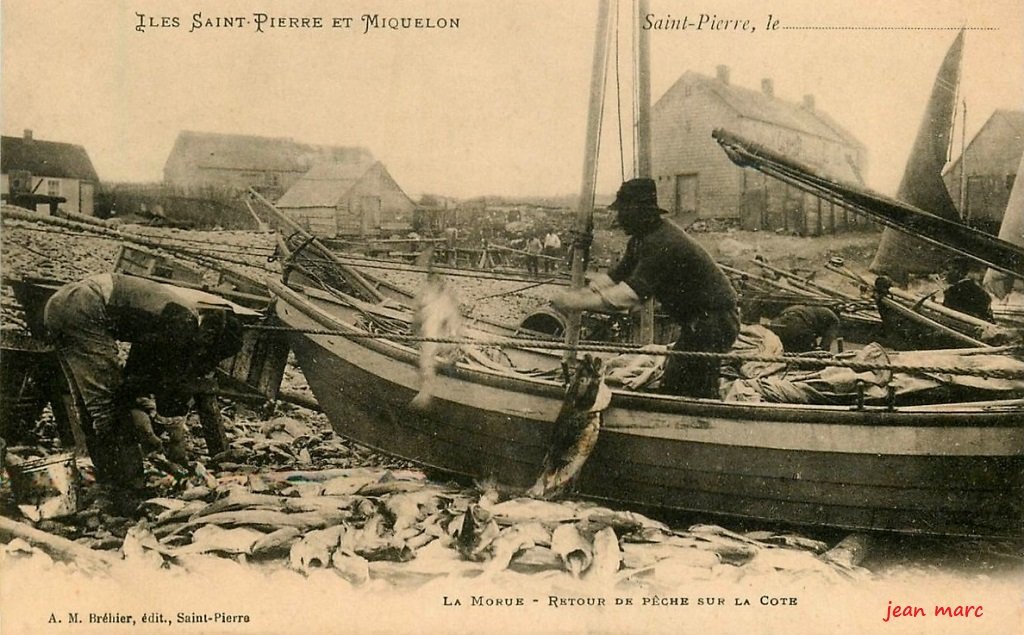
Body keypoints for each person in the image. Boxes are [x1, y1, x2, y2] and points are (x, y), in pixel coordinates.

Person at [43, 273, 244, 512]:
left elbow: (135, 377)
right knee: (107, 407)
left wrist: (146, 416)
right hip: (86, 307)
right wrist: (172, 434)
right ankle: (129, 491)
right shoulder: (182, 320)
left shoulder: (173, 313)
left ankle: (108, 483)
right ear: (211, 337)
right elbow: (163, 380)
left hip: (61, 304)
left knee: (89, 406)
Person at [552, 178, 739, 398]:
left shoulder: (662, 242)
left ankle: (699, 425)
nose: (619, 218)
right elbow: (614, 278)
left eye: (623, 211)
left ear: (638, 212)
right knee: (677, 378)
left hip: (716, 322)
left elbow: (628, 296)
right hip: (699, 323)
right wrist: (579, 293)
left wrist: (574, 302)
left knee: (690, 384)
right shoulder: (640, 241)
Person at [767, 305, 840, 353]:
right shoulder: (834, 320)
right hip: (798, 323)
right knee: (808, 356)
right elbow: (825, 346)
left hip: (777, 322)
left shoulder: (813, 309)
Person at [942, 257, 995, 323]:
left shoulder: (954, 291)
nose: (944, 273)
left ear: (958, 271)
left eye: (947, 270)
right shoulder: (976, 289)